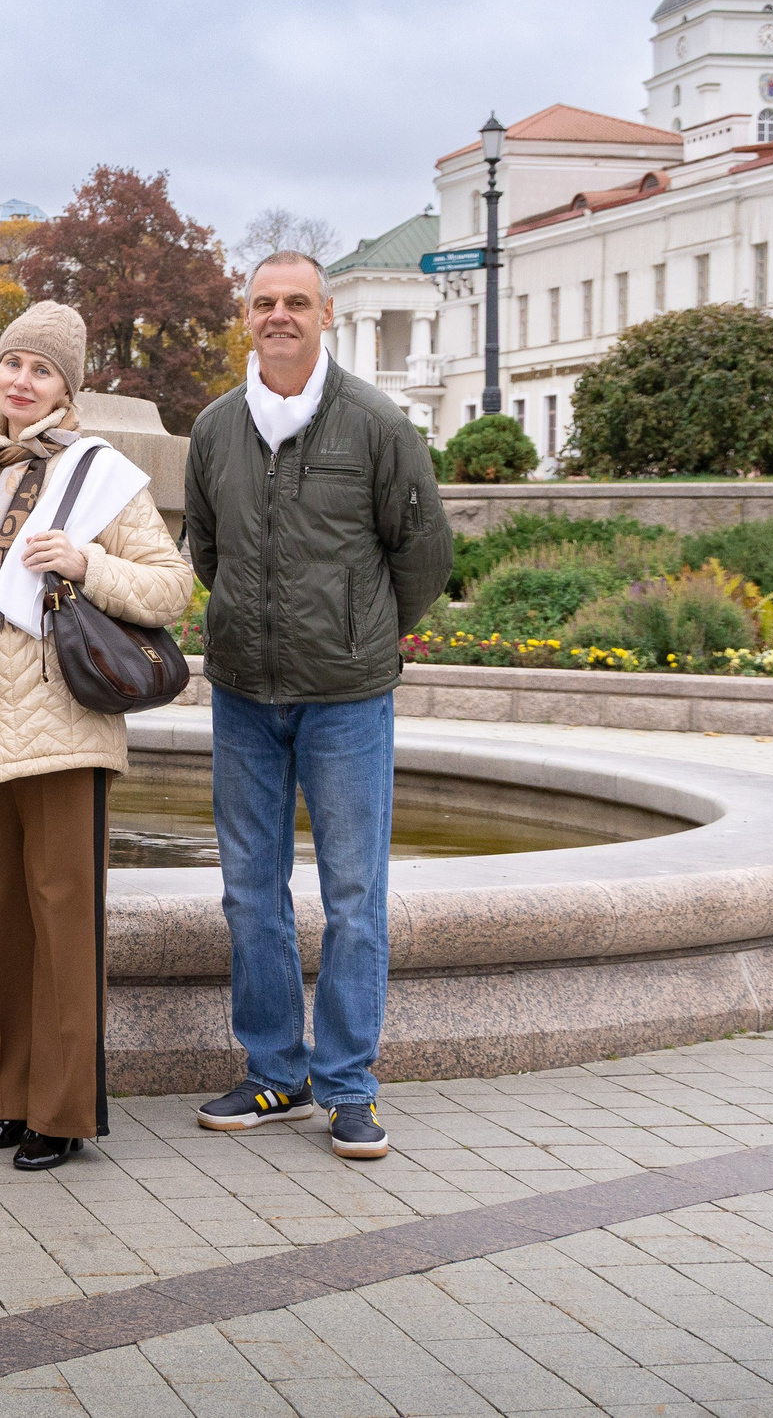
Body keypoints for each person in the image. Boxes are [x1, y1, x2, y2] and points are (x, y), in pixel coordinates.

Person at [0, 302, 194, 1171]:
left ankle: (61, 1112)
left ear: (70, 385)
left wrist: (85, 561)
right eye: (13, 363)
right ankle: (3, 1097)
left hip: (63, 733)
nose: (21, 380)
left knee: (66, 924)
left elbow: (173, 586)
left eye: (42, 369)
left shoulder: (102, 475)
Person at [183, 252, 450, 1162]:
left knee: (354, 894)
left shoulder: (376, 423)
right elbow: (206, 549)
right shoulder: (217, 427)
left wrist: (357, 634)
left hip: (346, 699)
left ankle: (347, 1084)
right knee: (249, 892)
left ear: (326, 313)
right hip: (243, 697)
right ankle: (275, 1069)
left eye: (297, 301)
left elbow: (423, 553)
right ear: (246, 317)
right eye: (265, 303)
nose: (280, 316)